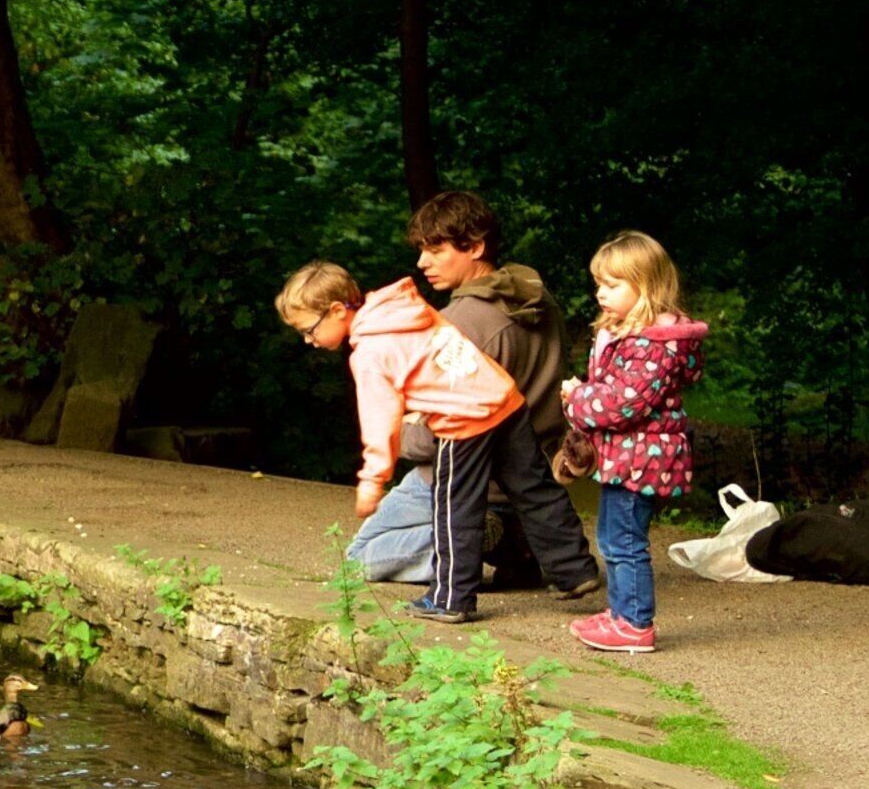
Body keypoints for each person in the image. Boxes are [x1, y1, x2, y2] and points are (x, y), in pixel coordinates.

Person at [277, 259, 526, 623]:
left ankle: (482, 543)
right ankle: (487, 538)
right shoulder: (409, 312)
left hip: (443, 470)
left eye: (309, 330)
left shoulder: (396, 339)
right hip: (452, 468)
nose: (308, 341)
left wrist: (375, 476)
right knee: (365, 547)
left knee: (358, 559)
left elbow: (420, 432)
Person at [408, 191, 604, 604]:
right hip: (535, 448)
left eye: (435, 249)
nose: (423, 262)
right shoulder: (538, 300)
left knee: (366, 551)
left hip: (479, 458)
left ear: (475, 246)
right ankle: (569, 567)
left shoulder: (460, 321)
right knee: (530, 482)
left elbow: (435, 428)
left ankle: (461, 582)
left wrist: (399, 436)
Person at [562, 232, 709, 654]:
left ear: (645, 286)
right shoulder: (631, 335)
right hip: (627, 456)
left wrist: (578, 398)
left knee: (623, 541)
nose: (600, 294)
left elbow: (621, 404)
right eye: (599, 284)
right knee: (612, 536)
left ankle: (635, 625)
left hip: (641, 459)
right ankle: (621, 612)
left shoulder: (653, 347)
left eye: (612, 285)